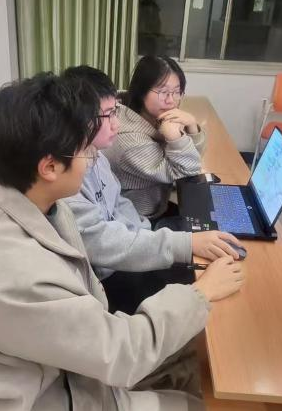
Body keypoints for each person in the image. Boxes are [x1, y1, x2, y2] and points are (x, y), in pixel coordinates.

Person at [0, 72, 244, 411]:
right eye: (85, 150)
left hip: (75, 369)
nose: (94, 157)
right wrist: (201, 293)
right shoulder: (11, 275)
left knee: (197, 361)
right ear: (49, 166)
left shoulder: (28, 196)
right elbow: (119, 354)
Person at [64, 66, 244, 314]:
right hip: (110, 275)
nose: (116, 123)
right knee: (211, 286)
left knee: (210, 258)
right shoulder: (70, 175)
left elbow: (118, 203)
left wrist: (148, 233)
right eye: (108, 115)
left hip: (134, 240)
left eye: (177, 92)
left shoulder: (95, 153)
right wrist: (183, 245)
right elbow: (102, 243)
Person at [104, 55, 205, 221]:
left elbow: (193, 158)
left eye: (177, 92)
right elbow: (189, 169)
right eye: (163, 92)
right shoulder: (130, 142)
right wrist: (175, 137)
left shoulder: (148, 114)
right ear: (141, 91)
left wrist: (192, 126)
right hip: (139, 220)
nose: (171, 100)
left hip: (158, 205)